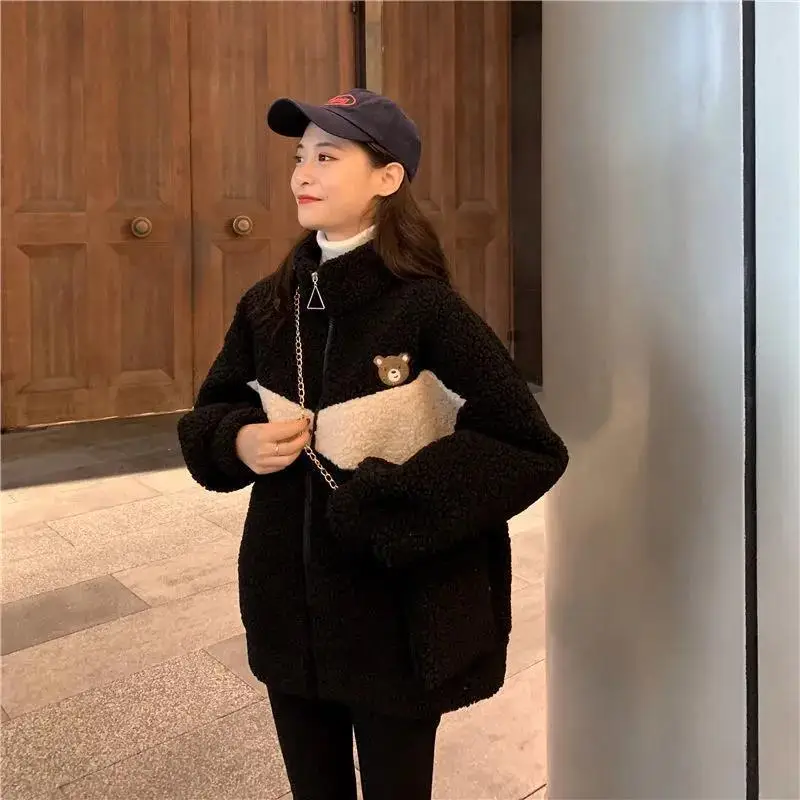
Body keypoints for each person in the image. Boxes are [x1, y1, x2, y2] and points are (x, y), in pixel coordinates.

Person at [177, 88, 569, 800]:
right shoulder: (268, 305)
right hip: (285, 611)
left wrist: (393, 501)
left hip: (396, 620)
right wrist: (238, 440)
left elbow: (526, 445)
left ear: (388, 178)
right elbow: (211, 411)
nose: (302, 174)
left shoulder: (427, 309)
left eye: (327, 157)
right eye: (300, 156)